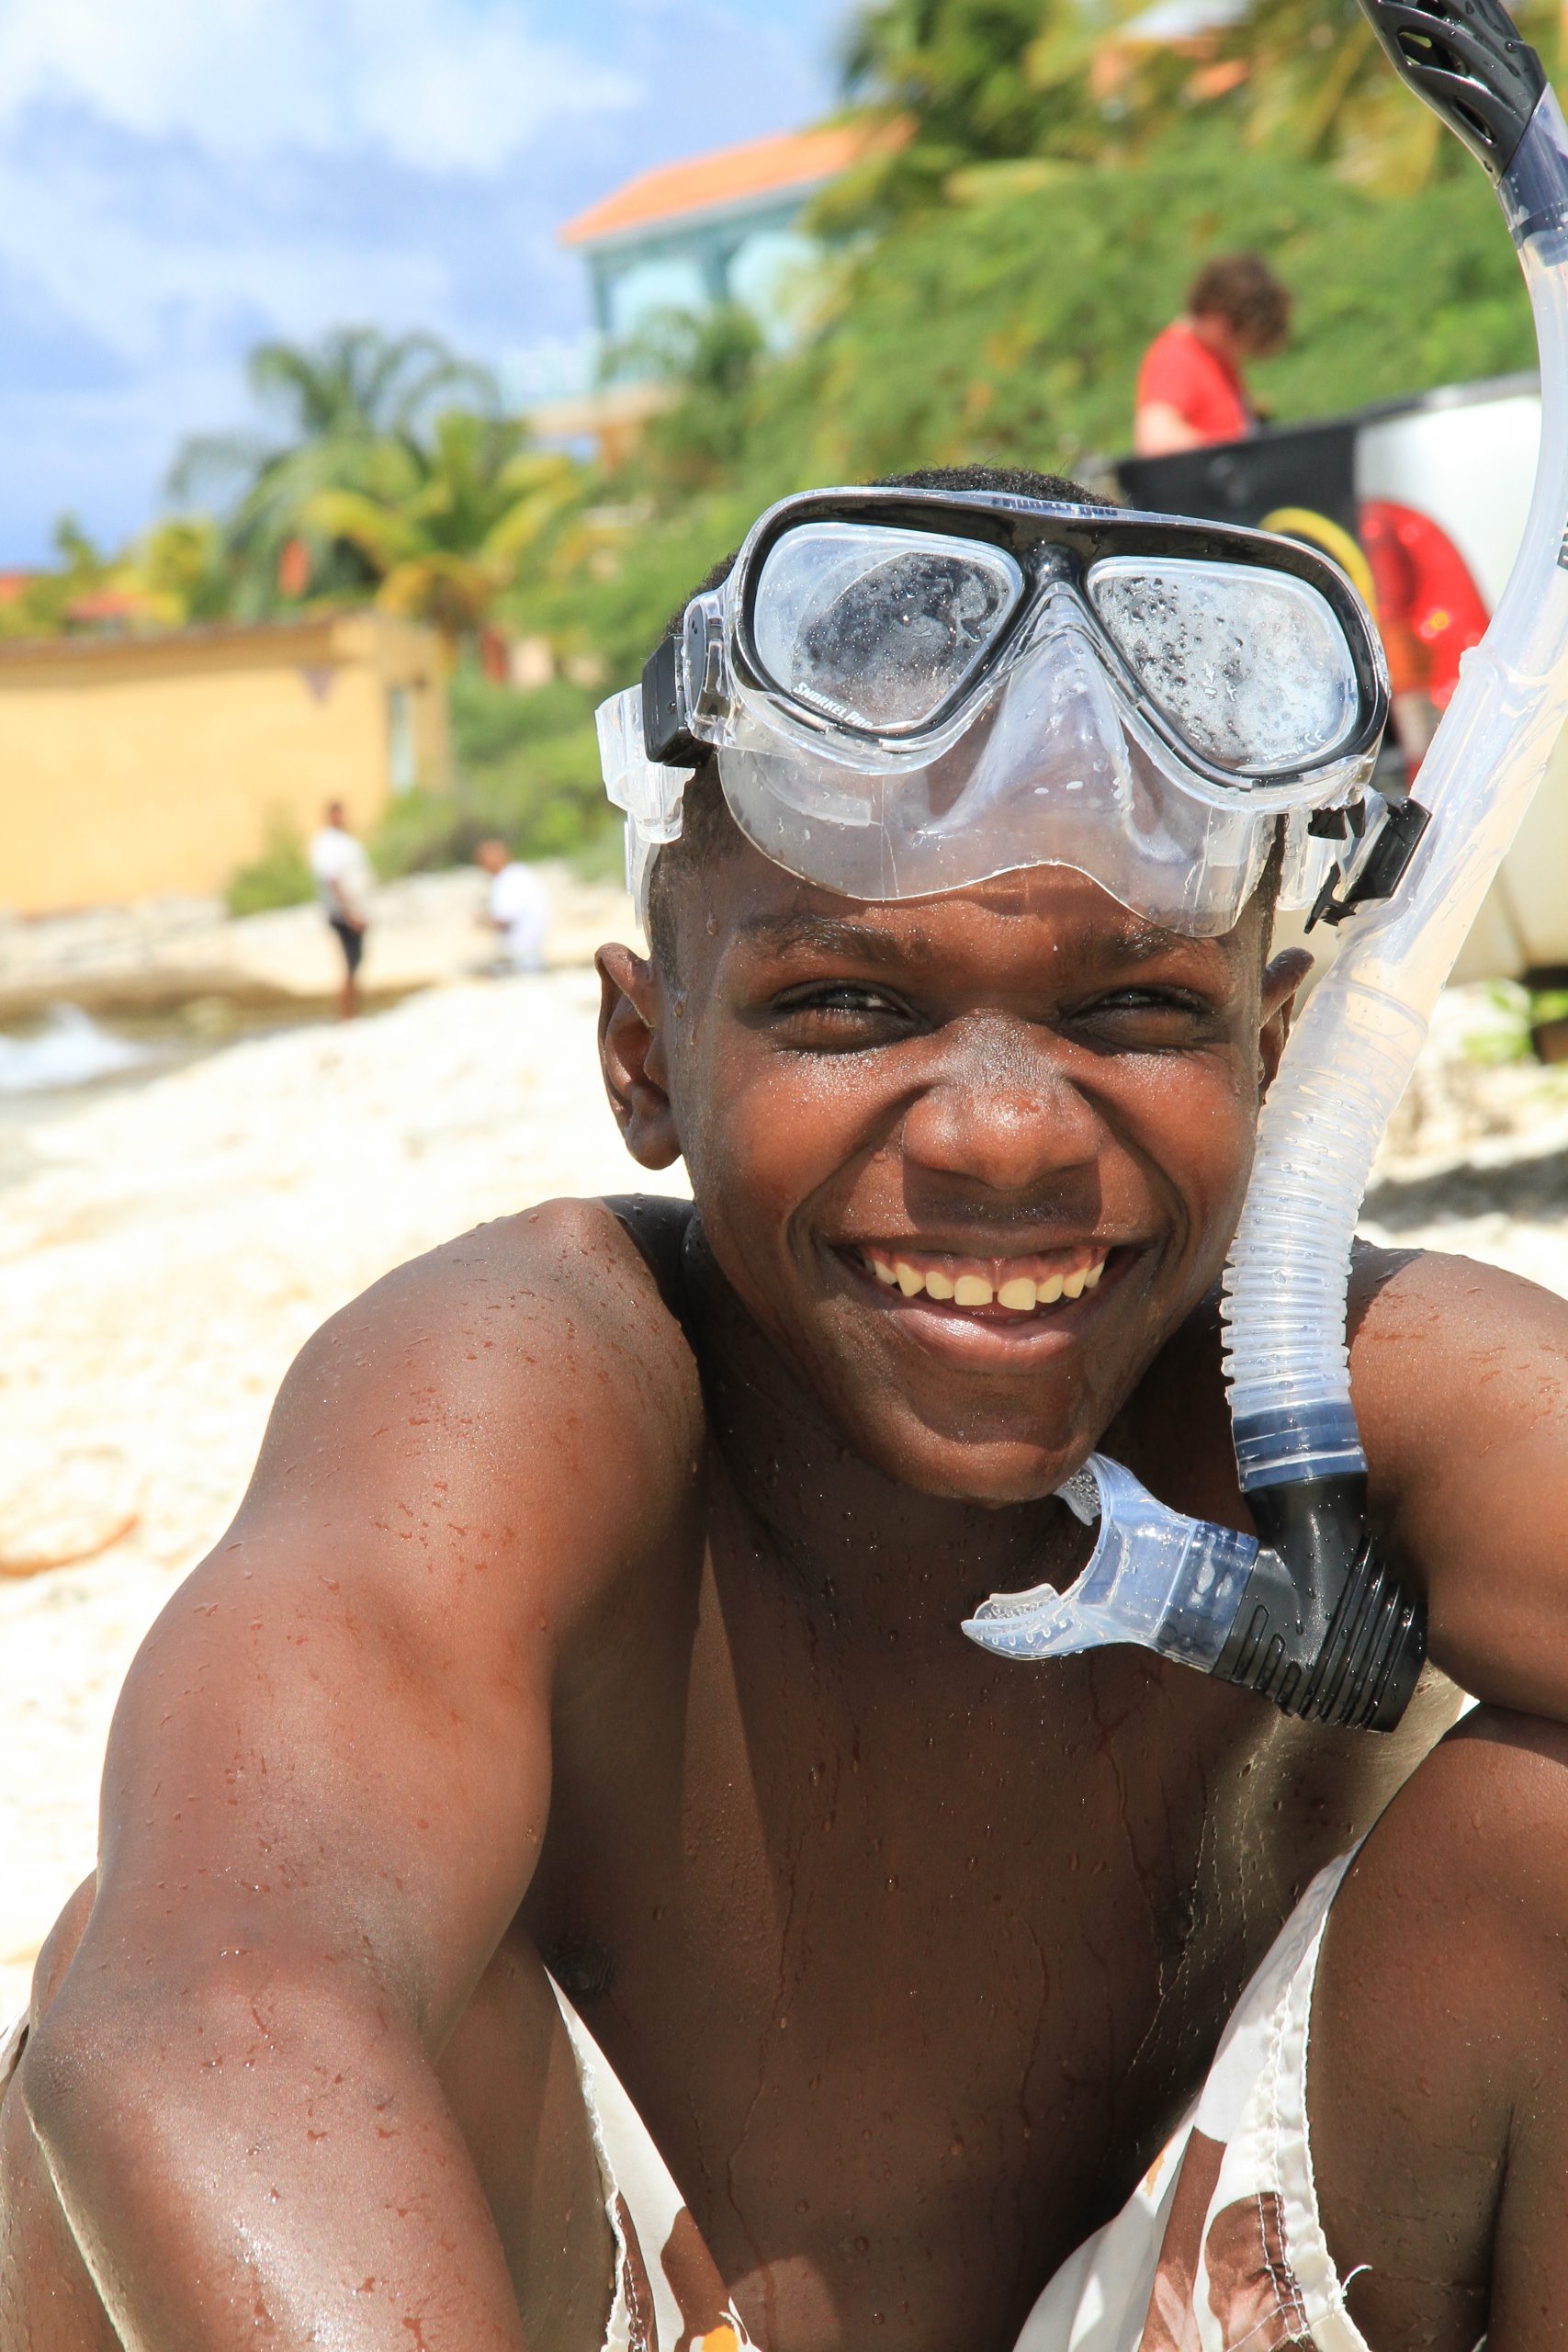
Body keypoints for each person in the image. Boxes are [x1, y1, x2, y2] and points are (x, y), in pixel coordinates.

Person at [6, 467, 1568, 2352]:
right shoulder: (524, 1386)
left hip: (1182, 2299)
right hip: (598, 2305)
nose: (1004, 1133)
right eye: (847, 1008)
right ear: (643, 1056)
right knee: (138, 1978)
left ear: (1279, 1050)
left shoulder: (1346, 1385)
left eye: (1135, 1011)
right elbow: (207, 2003)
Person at [1133, 254, 1292, 458]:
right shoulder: (1175, 358)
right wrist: (1233, 456)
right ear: (1217, 317)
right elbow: (1157, 440)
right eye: (1239, 334)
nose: (1242, 348)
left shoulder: (1215, 356)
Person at [308, 798, 374, 1019]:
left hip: (356, 909)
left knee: (356, 961)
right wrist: (348, 912)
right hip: (342, 912)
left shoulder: (346, 842)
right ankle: (346, 1014)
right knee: (350, 962)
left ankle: (351, 1012)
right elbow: (332, 879)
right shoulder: (326, 844)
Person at [475, 836, 551, 974]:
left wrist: (483, 921)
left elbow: (504, 920)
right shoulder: (521, 874)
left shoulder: (506, 881)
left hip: (522, 953)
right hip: (535, 949)